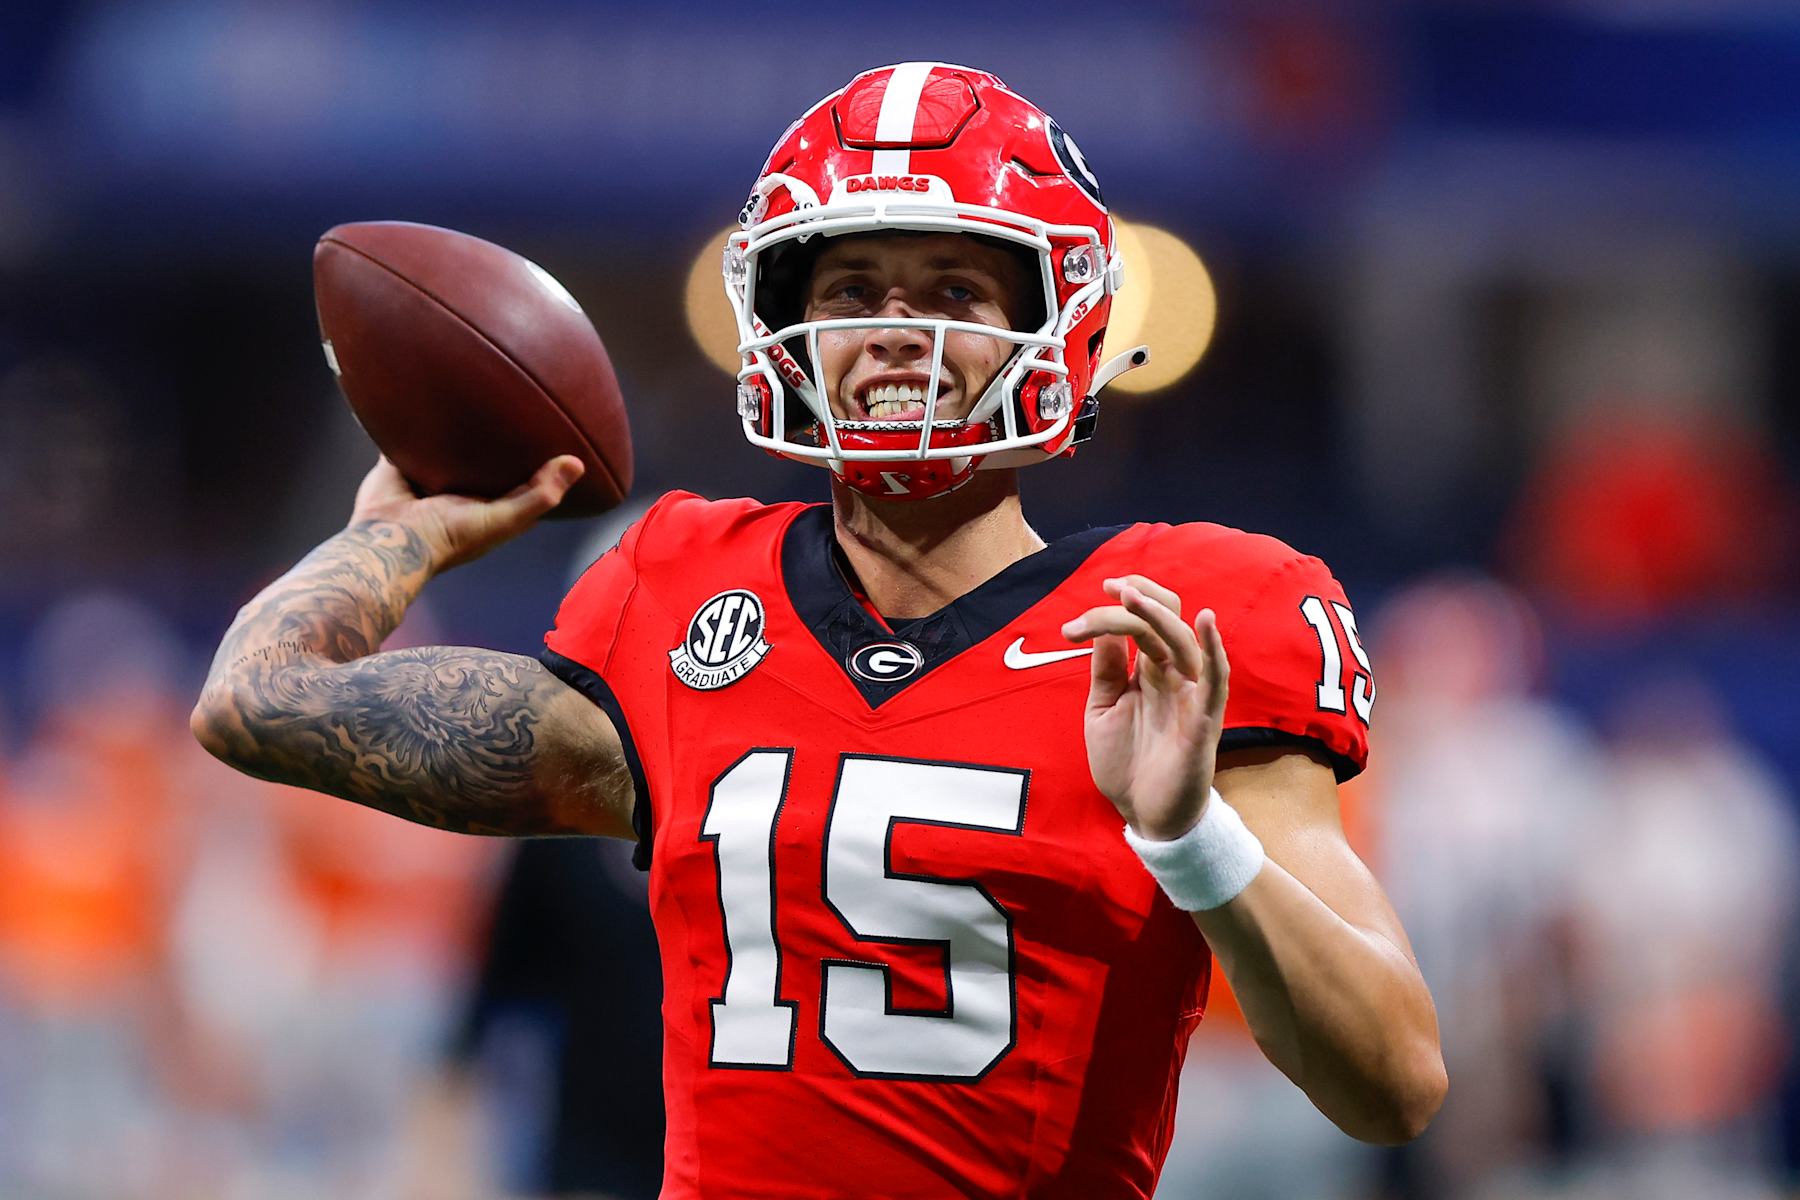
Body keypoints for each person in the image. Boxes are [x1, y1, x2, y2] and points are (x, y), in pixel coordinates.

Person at [193, 63, 1445, 1198]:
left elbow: (1392, 1084)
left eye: (955, 285)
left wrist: (1190, 837)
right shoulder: (678, 591)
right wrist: (402, 533)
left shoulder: (1173, 624)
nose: (896, 326)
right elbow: (255, 702)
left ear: (1055, 322)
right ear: (788, 328)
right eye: (852, 287)